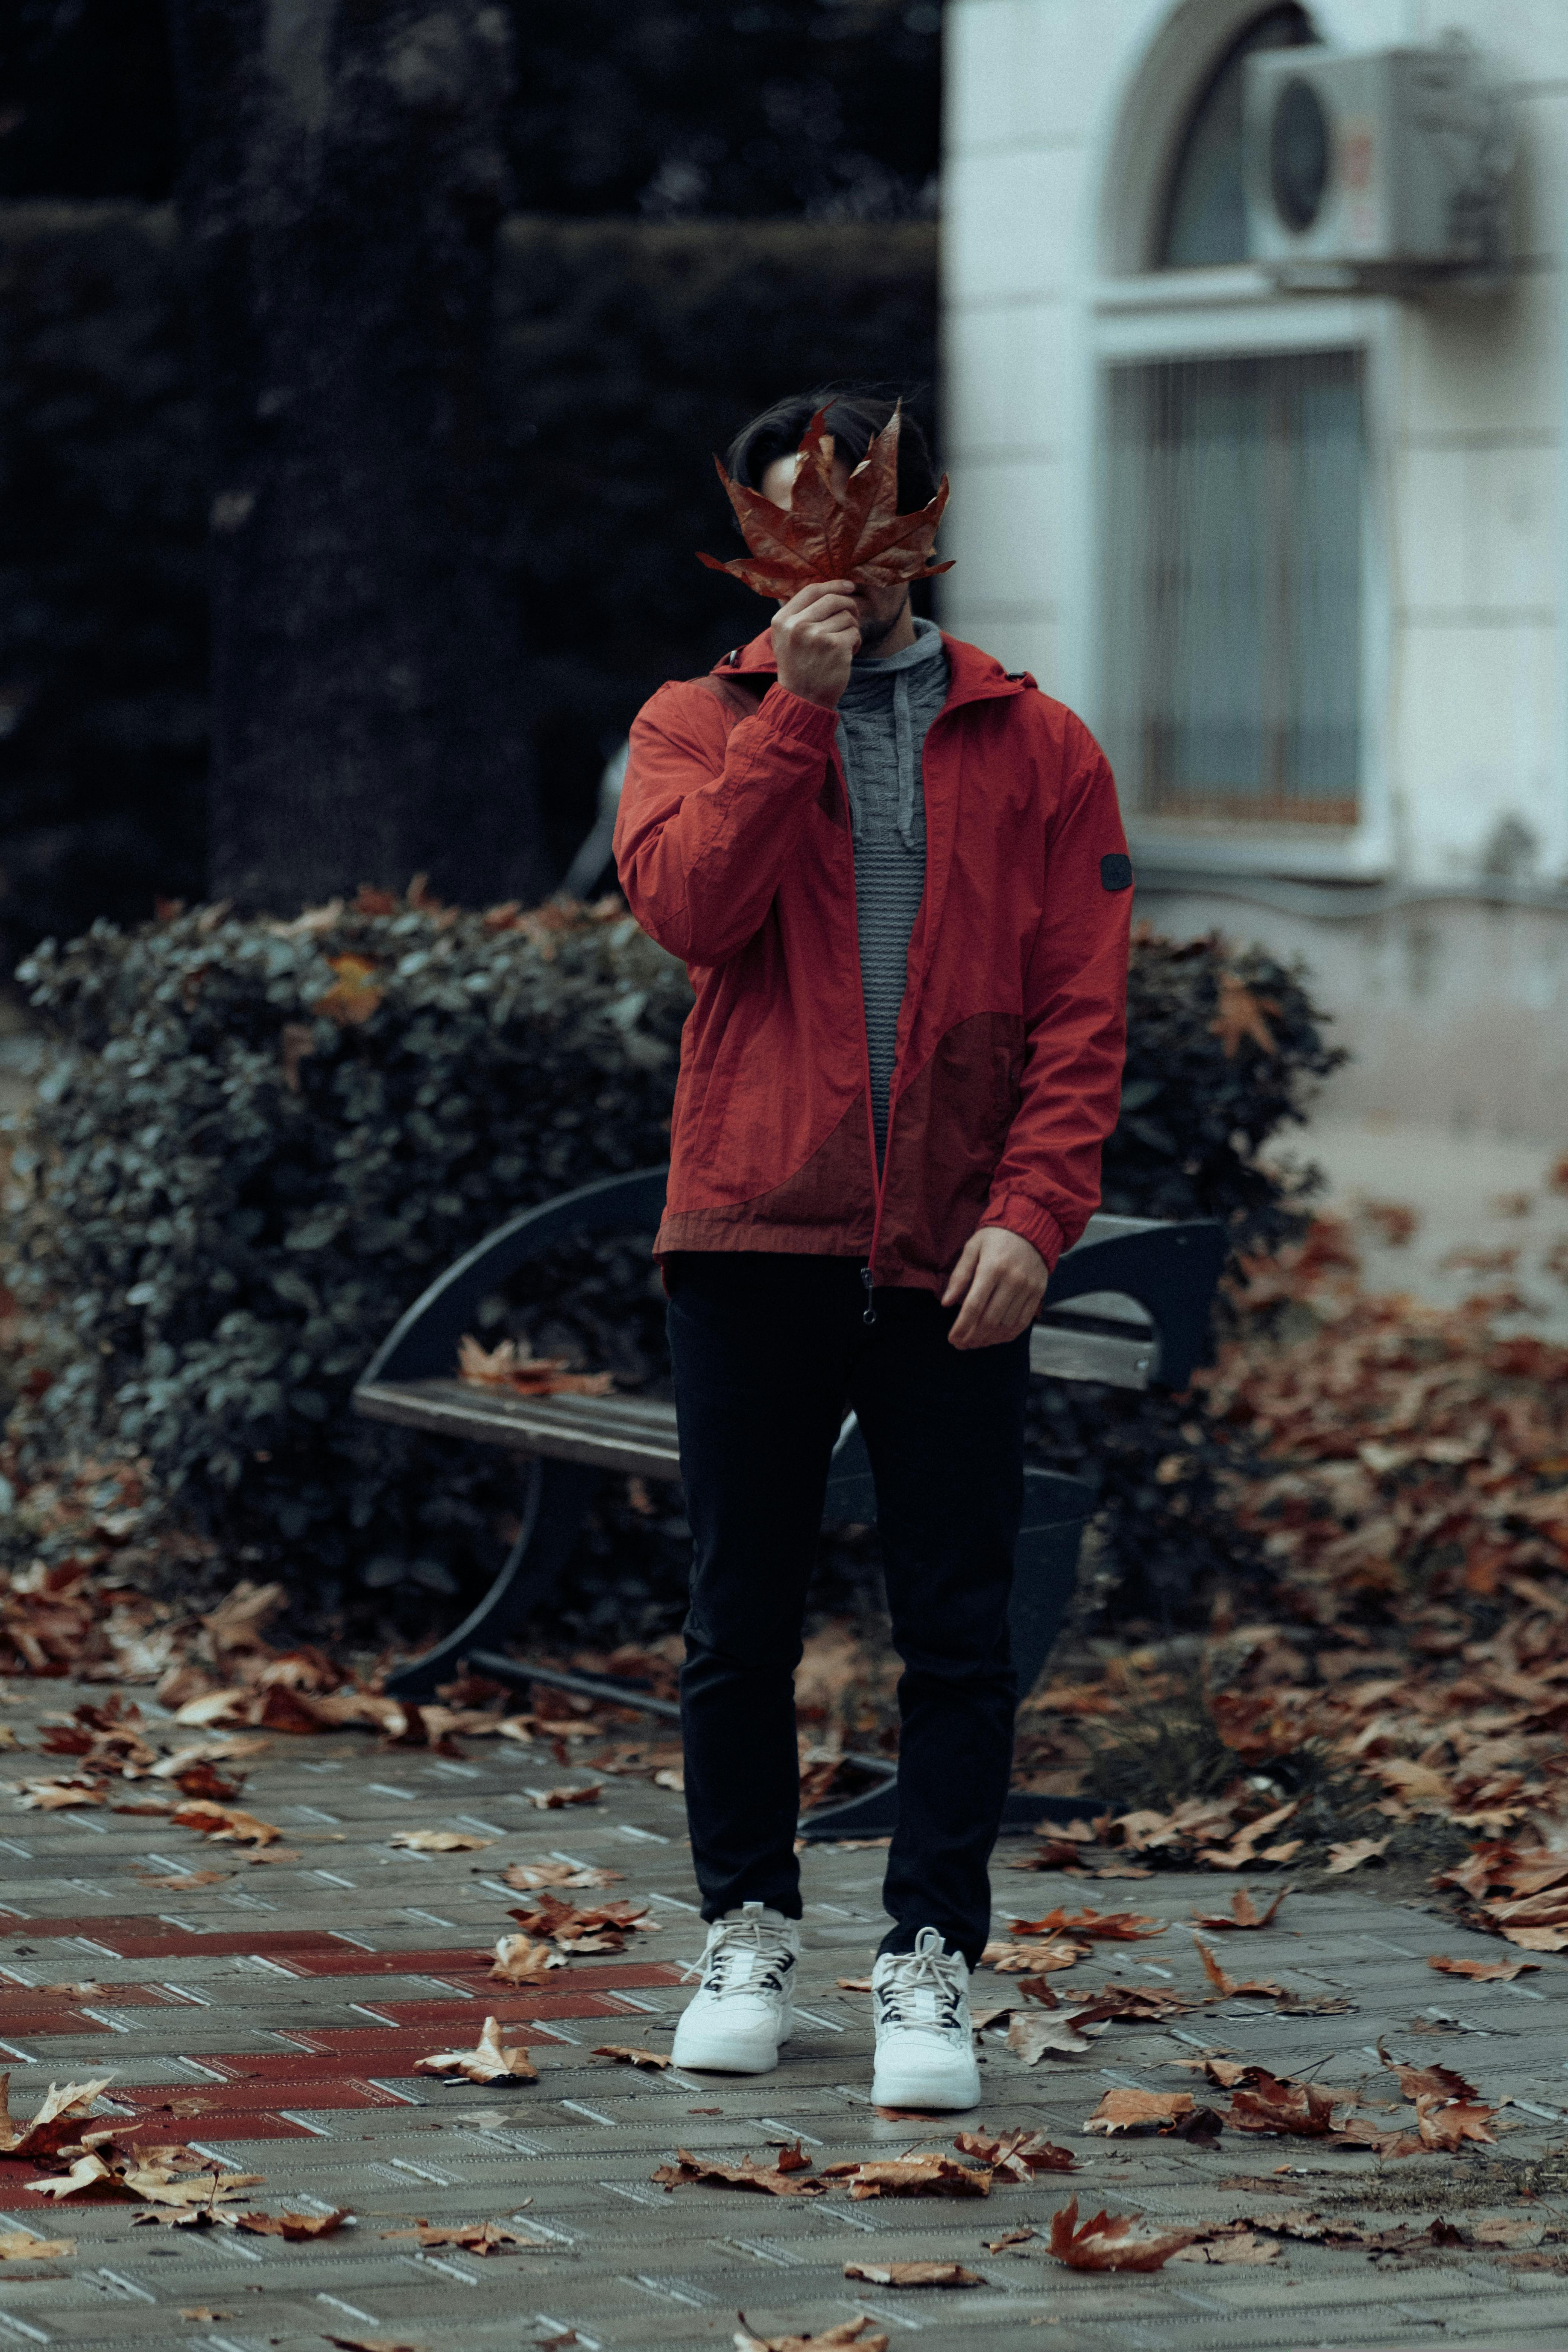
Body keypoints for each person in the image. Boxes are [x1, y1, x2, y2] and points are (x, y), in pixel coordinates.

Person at [612, 387, 1131, 2111]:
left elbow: (1080, 1011)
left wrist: (1029, 1216)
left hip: (952, 1250)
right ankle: (746, 1923)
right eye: (797, 530)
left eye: (875, 522)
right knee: (738, 1615)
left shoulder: (1036, 742)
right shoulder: (694, 720)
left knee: (958, 1622)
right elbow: (691, 913)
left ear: (928, 526)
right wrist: (799, 717)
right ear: (756, 550)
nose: (840, 559)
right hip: (756, 1224)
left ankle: (930, 1960)